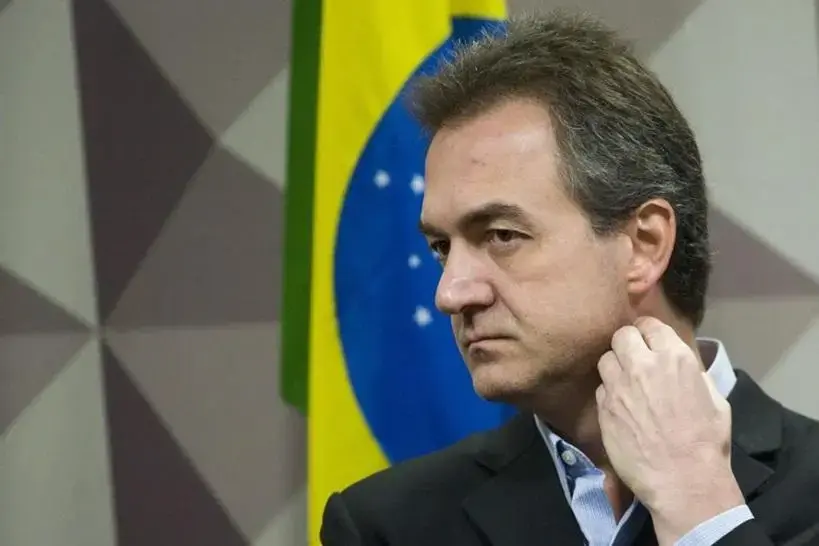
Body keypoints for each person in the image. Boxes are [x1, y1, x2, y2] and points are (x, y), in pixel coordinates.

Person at [320, 11, 819, 546]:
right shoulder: (386, 526)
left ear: (645, 244)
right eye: (442, 248)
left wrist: (700, 509)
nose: (450, 293)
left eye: (502, 235)